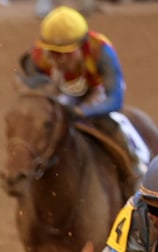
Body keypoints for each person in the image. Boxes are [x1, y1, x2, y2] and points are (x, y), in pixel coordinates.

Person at [21, 6, 149, 187]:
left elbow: (115, 99)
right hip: (60, 90)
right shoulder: (38, 56)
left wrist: (82, 112)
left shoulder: (101, 50)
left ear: (83, 45)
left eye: (66, 53)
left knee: (111, 124)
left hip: (96, 91)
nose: (59, 60)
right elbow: (33, 93)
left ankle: (136, 170)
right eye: (54, 53)